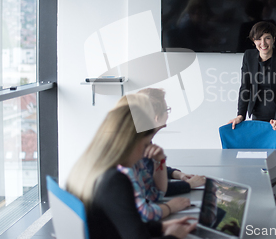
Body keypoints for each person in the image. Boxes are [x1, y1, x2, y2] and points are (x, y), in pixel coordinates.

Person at [66, 94, 196, 239]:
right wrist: (174, 236)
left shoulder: (87, 168)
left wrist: (161, 227)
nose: (143, 154)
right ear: (129, 143)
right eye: (145, 145)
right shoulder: (115, 181)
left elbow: (127, 223)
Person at [117, 88, 205, 222]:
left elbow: (153, 192)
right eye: (167, 109)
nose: (168, 113)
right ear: (156, 117)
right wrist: (185, 188)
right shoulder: (130, 159)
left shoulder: (142, 145)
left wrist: (173, 171)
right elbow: (147, 205)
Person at [228, 21, 276, 148]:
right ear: (254, 41)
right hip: (259, 115)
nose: (263, 43)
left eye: (267, 38)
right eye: (259, 39)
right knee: (261, 156)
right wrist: (240, 115)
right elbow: (245, 87)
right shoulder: (249, 56)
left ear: (273, 39)